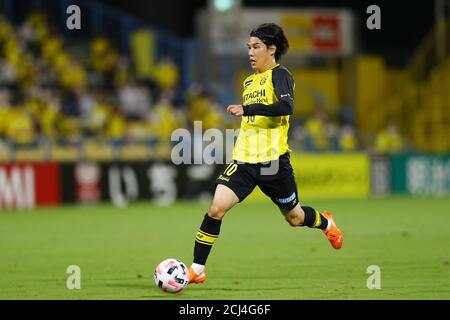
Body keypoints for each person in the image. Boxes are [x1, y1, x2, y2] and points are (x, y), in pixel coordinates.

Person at [188, 23, 344, 285]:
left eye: (256, 47)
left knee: (295, 218)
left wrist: (247, 109)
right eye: (248, 47)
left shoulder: (281, 75)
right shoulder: (249, 81)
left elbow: (285, 107)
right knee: (215, 209)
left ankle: (326, 223)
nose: (250, 52)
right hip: (244, 161)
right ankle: (197, 269)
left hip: (274, 163)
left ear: (271, 49)